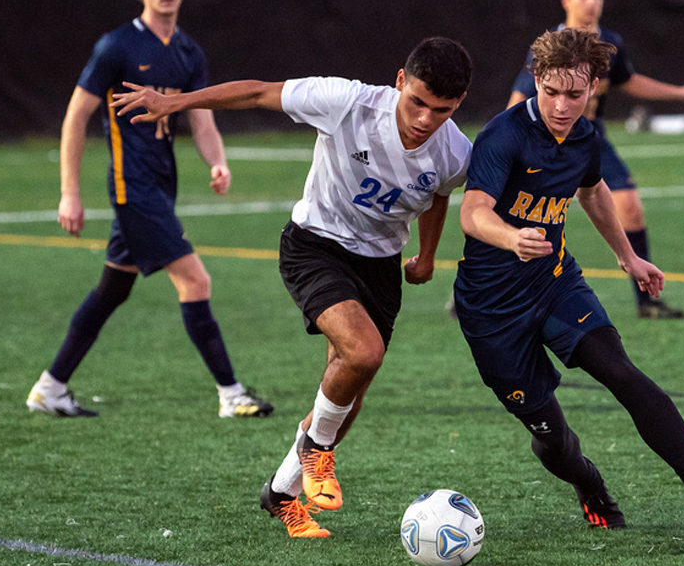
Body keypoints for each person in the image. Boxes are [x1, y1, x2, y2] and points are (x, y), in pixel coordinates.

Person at [113, 37, 473, 539]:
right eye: (417, 102)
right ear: (399, 81)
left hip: (380, 266)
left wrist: (428, 256)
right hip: (315, 247)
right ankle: (316, 452)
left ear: (458, 105)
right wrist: (176, 103)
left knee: (349, 393)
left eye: (442, 110)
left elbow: (439, 194)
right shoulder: (346, 102)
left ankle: (280, 494)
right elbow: (258, 92)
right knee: (363, 352)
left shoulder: (456, 151)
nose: (425, 119)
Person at [453, 27, 684, 529]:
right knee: (553, 439)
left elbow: (592, 192)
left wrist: (628, 257)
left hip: (554, 284)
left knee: (621, 372)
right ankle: (589, 482)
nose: (562, 105)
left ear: (593, 87)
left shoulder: (586, 137)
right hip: (492, 308)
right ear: (536, 81)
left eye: (574, 94)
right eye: (551, 91)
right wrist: (511, 237)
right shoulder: (504, 135)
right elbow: (473, 213)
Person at [26, 0, 272, 420]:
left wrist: (217, 162)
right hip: (131, 188)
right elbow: (76, 118)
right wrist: (69, 193)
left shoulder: (187, 51)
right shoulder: (117, 46)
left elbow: (202, 120)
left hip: (160, 185)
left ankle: (49, 388)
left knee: (113, 290)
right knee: (195, 279)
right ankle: (231, 394)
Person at [507, 0, 684, 320]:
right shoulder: (550, 47)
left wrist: (679, 93)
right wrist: (510, 142)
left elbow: (628, 81)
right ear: (566, 0)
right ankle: (473, 291)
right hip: (548, 142)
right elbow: (520, 98)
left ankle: (647, 301)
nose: (592, 2)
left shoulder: (610, 43)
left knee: (630, 206)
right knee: (525, 221)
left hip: (591, 140)